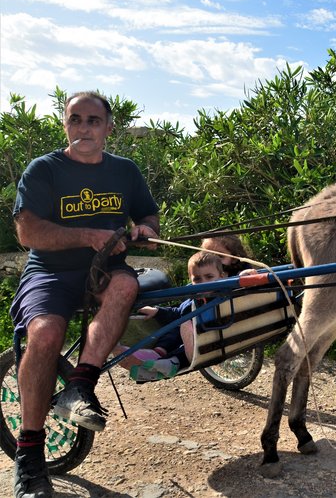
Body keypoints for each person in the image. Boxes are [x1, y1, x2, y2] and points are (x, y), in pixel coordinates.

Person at [9, 91, 160, 498]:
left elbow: (148, 213)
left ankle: (80, 384)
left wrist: (145, 228)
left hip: (106, 270)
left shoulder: (125, 171)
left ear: (110, 128)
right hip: (51, 271)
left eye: (93, 120)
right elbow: (27, 233)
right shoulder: (44, 170)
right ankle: (29, 455)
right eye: (75, 119)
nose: (84, 128)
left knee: (127, 284)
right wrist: (88, 236)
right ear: (65, 124)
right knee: (44, 335)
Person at [114, 251, 226, 381]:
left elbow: (179, 314)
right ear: (191, 279)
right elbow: (178, 312)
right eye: (197, 279)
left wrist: (244, 274)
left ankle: (170, 362)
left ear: (222, 277)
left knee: (183, 326)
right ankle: (158, 353)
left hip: (205, 341)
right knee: (177, 326)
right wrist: (158, 311)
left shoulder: (220, 295)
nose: (203, 283)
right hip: (205, 336)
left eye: (209, 276)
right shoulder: (201, 298)